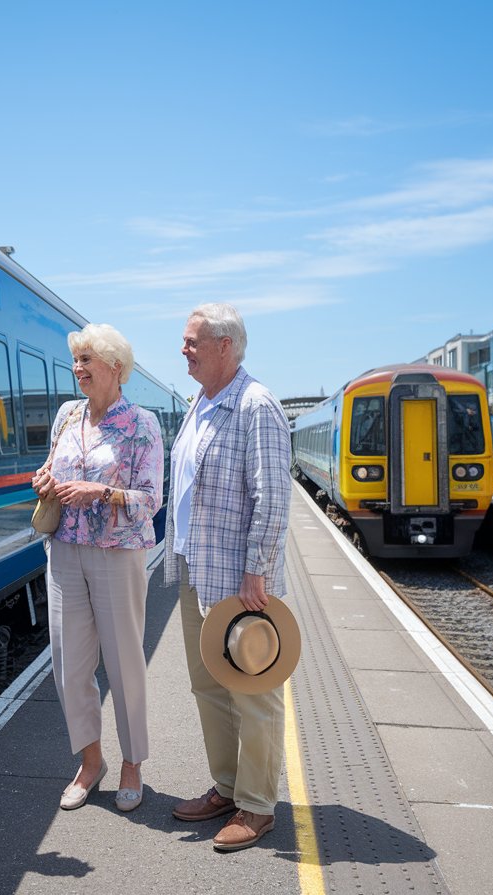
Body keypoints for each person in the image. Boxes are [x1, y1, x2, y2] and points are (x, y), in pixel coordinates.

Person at [164, 302, 292, 851]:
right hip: (197, 569)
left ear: (225, 346)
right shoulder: (202, 402)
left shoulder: (255, 405)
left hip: (240, 583)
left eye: (193, 341)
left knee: (254, 692)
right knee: (208, 686)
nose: (183, 349)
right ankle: (227, 786)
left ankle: (258, 806)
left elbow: (273, 497)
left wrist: (256, 571)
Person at [31, 323, 163, 813]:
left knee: (125, 665)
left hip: (117, 552)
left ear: (115, 368)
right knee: (69, 665)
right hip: (64, 550)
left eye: (87, 360)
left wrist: (101, 492)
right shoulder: (68, 416)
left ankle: (132, 764)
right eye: (76, 360)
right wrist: (44, 479)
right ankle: (91, 762)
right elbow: (53, 467)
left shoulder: (142, 424)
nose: (77, 369)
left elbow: (152, 500)